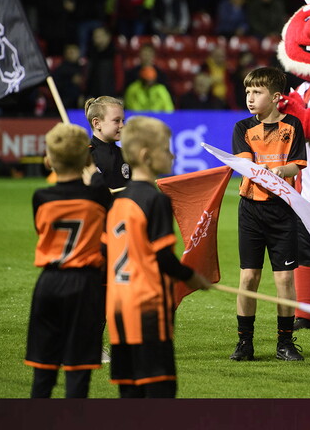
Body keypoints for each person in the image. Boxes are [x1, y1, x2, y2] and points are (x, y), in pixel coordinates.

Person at [105, 116, 211, 397]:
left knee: (130, 393)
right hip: (147, 307)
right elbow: (163, 258)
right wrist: (193, 278)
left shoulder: (117, 201)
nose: (172, 154)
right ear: (146, 156)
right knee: (159, 391)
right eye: (166, 148)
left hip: (118, 307)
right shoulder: (156, 199)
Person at [24, 123, 112, 398]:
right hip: (85, 284)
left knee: (43, 368)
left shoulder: (40, 197)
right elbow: (97, 183)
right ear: (87, 158)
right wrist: (91, 168)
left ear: (49, 160)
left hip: (49, 282)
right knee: (78, 369)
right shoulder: (97, 193)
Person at [229, 66, 308, 362]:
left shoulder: (294, 126)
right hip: (250, 210)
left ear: (276, 97)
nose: (250, 97)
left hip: (283, 210)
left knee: (285, 280)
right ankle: (244, 343)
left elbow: (297, 164)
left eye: (257, 92)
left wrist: (279, 171)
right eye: (248, 92)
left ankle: (285, 343)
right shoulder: (241, 128)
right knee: (249, 277)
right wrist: (259, 171)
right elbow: (245, 163)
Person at [84, 96, 131, 191]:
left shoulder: (125, 154)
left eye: (123, 121)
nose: (122, 125)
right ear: (97, 123)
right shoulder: (86, 156)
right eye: (116, 121)